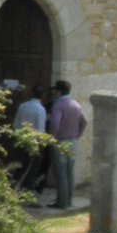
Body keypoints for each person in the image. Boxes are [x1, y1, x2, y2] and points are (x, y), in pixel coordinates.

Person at [47, 80, 87, 211]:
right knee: (70, 171)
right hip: (73, 140)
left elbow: (54, 123)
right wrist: (77, 135)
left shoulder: (59, 105)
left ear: (59, 91)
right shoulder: (75, 104)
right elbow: (84, 121)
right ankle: (69, 200)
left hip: (61, 140)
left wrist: (52, 137)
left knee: (61, 172)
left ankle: (62, 202)